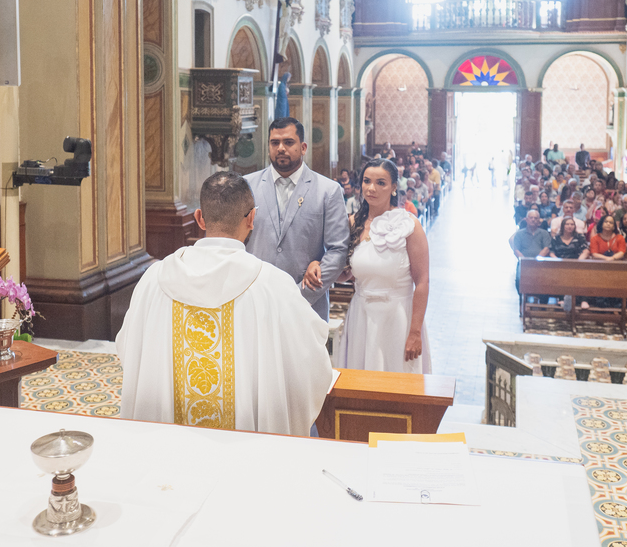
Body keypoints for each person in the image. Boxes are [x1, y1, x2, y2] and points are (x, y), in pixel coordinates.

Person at [115, 172, 333, 437]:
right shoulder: (274, 285)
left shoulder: (154, 278)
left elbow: (129, 349)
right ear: (252, 218)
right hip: (245, 448)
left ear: (199, 218)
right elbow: (309, 361)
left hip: (168, 445)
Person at [244, 117, 349, 320]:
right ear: (268, 147)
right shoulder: (247, 186)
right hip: (256, 302)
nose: (281, 148)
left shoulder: (328, 190)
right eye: (275, 143)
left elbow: (338, 250)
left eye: (288, 142)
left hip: (306, 305)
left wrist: (300, 296)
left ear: (303, 147)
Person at [334, 159, 431, 373]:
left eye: (381, 183)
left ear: (394, 187)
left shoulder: (410, 226)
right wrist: (320, 268)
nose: (371, 188)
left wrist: (415, 331)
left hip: (397, 318)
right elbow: (347, 273)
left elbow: (422, 281)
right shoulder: (352, 224)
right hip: (362, 316)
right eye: (367, 181)